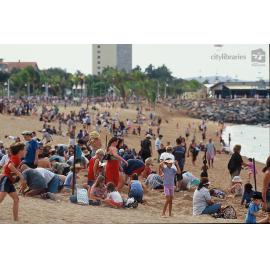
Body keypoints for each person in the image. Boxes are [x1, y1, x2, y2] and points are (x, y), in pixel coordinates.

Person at [0, 143, 26, 221]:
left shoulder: (16, 157)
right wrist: (20, 176)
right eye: (24, 149)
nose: (26, 151)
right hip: (6, 179)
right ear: (20, 151)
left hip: (8, 180)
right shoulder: (16, 158)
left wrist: (15, 173)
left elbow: (8, 167)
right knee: (1, 199)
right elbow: (10, 166)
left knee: (16, 199)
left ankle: (16, 219)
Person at [260, 156, 270, 223]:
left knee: (268, 218)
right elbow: (264, 189)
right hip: (269, 198)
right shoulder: (268, 173)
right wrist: (263, 202)